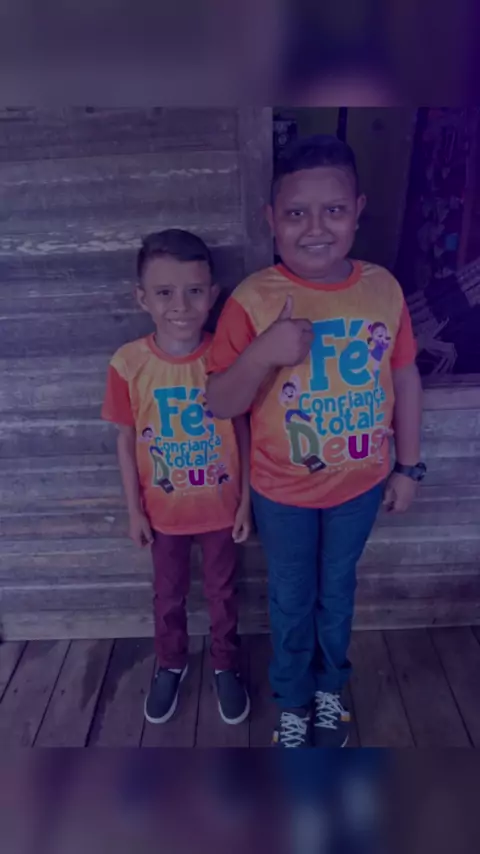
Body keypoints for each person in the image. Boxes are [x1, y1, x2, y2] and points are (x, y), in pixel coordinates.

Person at [206, 135, 424, 748]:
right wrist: (263, 353)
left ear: (358, 210)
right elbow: (219, 402)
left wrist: (409, 466)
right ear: (270, 219)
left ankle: (330, 691)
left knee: (337, 592)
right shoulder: (253, 299)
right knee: (291, 597)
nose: (316, 228)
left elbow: (405, 375)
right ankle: (293, 701)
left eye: (333, 210)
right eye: (296, 213)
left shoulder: (383, 289)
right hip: (283, 492)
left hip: (361, 484)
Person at [102, 229, 251, 727]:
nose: (180, 306)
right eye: (164, 292)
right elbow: (126, 439)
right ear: (142, 298)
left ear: (213, 294)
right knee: (167, 596)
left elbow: (245, 430)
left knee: (223, 593)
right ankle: (171, 663)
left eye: (194, 291)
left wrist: (246, 502)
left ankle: (226, 663)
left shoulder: (227, 356)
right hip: (163, 516)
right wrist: (134, 511)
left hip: (221, 511)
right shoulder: (128, 364)